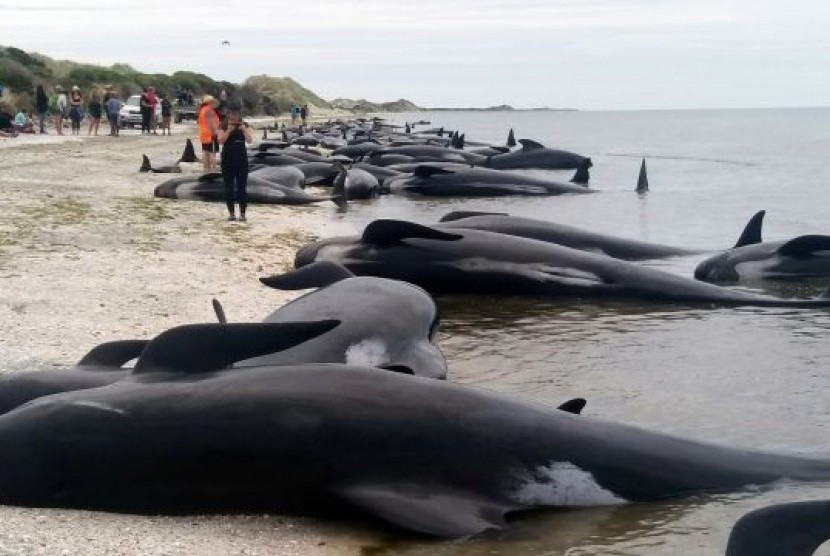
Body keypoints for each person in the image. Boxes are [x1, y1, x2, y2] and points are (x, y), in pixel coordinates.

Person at [217, 106, 254, 221]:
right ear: (228, 114)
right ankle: (231, 213)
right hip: (227, 160)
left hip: (241, 160)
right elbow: (220, 141)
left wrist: (243, 130)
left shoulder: (245, 125)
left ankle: (242, 214)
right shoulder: (222, 125)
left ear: (239, 114)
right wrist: (229, 130)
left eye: (236, 114)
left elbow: (249, 140)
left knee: (242, 188)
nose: (234, 117)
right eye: (232, 114)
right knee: (228, 188)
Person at [197, 94, 219, 172]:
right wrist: (216, 132)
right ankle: (213, 169)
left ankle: (206, 169)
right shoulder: (209, 110)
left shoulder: (202, 109)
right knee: (212, 153)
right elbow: (211, 123)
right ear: (210, 102)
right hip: (210, 134)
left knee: (205, 151)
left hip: (203, 134)